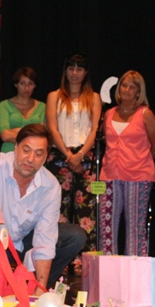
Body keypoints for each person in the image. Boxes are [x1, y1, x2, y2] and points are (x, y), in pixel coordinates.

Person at [0, 124, 86, 292]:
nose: (30, 159)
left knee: (74, 236)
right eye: (26, 150)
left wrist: (40, 288)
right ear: (16, 147)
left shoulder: (50, 186)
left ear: (46, 157)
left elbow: (45, 239)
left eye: (38, 153)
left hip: (20, 246)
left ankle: (31, 289)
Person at [99, 71, 155, 256]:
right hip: (109, 175)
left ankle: (135, 269)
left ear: (138, 92)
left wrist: (140, 161)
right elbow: (106, 143)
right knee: (106, 226)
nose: (126, 90)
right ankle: (108, 267)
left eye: (132, 87)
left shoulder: (145, 114)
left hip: (138, 177)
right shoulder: (109, 114)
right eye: (124, 85)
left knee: (135, 227)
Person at [45, 53, 101, 253]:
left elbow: (95, 130)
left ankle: (84, 258)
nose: (74, 73)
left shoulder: (94, 97)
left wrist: (80, 154)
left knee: (87, 210)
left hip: (86, 156)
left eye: (79, 69)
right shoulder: (54, 96)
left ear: (85, 73)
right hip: (60, 156)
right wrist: (69, 155)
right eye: (71, 68)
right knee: (58, 208)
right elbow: (52, 129)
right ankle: (58, 256)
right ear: (65, 71)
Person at [0, 67, 46, 153]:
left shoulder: (42, 106)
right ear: (16, 84)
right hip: (9, 152)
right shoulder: (4, 105)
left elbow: (43, 136)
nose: (26, 88)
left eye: (30, 83)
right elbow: (5, 136)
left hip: (34, 154)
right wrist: (32, 134)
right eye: (22, 83)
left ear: (35, 86)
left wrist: (16, 131)